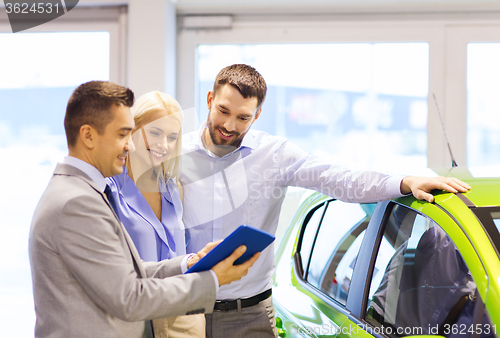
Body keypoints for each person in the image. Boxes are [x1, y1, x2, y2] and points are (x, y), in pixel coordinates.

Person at [178, 64, 471, 338]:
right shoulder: (176, 155)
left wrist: (404, 182)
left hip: (249, 317)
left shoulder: (274, 156)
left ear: (256, 115)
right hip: (183, 310)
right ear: (209, 99)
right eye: (223, 111)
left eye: (242, 117)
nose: (229, 125)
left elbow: (340, 180)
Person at [28, 80, 260, 338]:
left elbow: (129, 270)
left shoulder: (85, 192)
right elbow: (129, 295)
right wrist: (213, 280)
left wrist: (189, 262)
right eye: (122, 134)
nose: (129, 145)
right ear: (88, 135)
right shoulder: (77, 202)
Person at [106, 91, 205, 337]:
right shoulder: (109, 190)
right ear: (132, 129)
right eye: (155, 133)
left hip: (179, 318)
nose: (164, 145)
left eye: (172, 137)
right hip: (131, 322)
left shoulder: (174, 190)